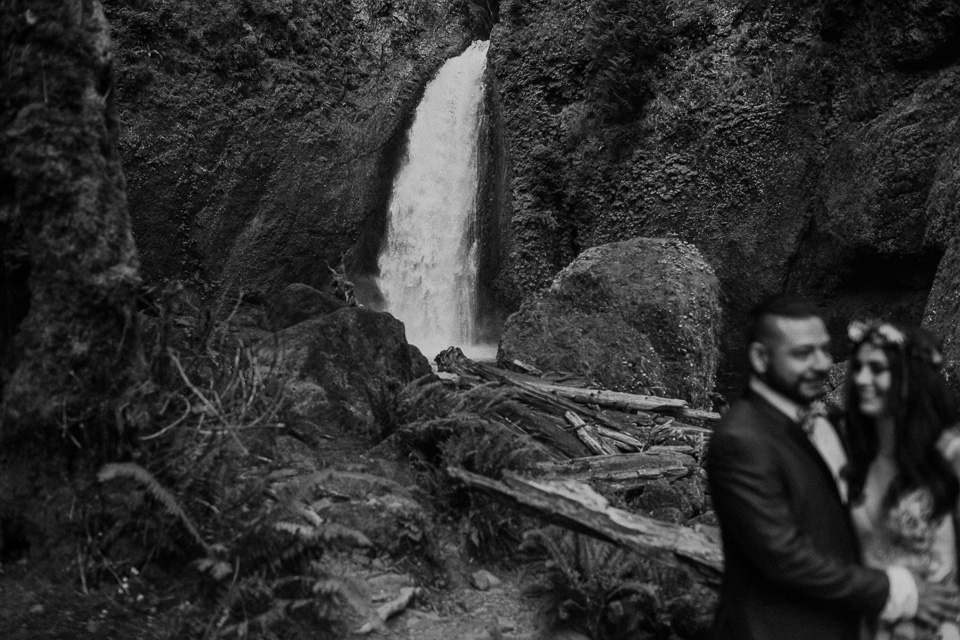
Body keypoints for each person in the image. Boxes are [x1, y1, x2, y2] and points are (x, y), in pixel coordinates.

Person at [706, 296, 959, 640]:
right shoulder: (743, 438)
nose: (823, 363)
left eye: (826, 350)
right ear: (760, 358)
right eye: (803, 353)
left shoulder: (825, 430)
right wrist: (894, 590)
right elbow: (784, 558)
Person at [845, 320, 960, 640]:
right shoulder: (850, 453)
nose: (861, 379)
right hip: (872, 624)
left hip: (939, 628)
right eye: (859, 368)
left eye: (877, 369)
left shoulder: (951, 453)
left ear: (910, 378)